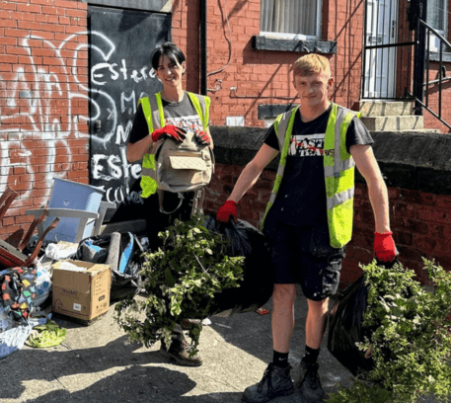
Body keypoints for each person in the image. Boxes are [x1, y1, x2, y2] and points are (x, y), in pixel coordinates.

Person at [216, 54, 397, 403]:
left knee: (317, 302)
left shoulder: (346, 123)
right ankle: (279, 371)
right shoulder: (285, 124)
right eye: (303, 83)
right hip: (283, 226)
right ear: (294, 85)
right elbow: (255, 165)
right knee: (282, 296)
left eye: (317, 82)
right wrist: (232, 199)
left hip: (323, 230)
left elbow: (374, 180)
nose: (310, 89)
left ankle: (310, 370)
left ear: (330, 83)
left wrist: (383, 230)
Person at [126, 42, 213, 367]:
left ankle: (184, 319)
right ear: (156, 73)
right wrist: (157, 133)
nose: (168, 72)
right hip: (159, 197)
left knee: (189, 261)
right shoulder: (148, 106)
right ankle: (171, 337)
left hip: (193, 194)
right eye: (162, 67)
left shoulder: (201, 104)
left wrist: (206, 138)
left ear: (183, 66)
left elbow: (208, 145)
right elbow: (132, 154)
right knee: (165, 264)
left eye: (173, 65)